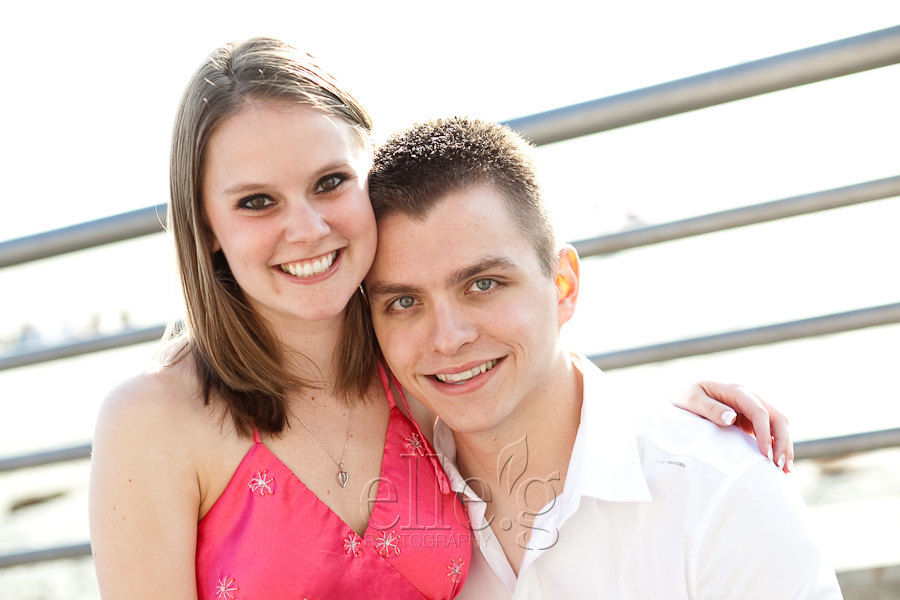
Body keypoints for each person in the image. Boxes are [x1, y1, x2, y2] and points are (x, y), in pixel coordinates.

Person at [88, 37, 792, 599]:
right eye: (256, 202)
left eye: (330, 183)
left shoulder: (421, 372)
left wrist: (672, 414)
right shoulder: (152, 421)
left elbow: (538, 385)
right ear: (206, 225)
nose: (305, 229)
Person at [364, 116, 843, 598]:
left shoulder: (720, 492)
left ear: (563, 285)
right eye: (403, 302)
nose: (447, 338)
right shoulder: (372, 505)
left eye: (483, 284)